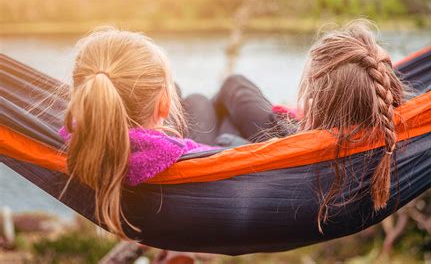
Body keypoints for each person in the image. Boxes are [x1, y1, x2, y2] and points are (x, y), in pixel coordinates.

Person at [186, 20, 408, 229]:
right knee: (227, 101)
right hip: (297, 144)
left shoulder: (301, 152)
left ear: (315, 99)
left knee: (201, 99)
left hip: (283, 147)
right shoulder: (402, 132)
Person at [60, 27, 218, 238]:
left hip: (154, 210)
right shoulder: (188, 154)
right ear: (164, 104)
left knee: (193, 97)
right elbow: (231, 157)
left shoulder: (75, 140)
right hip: (205, 183)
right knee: (221, 92)